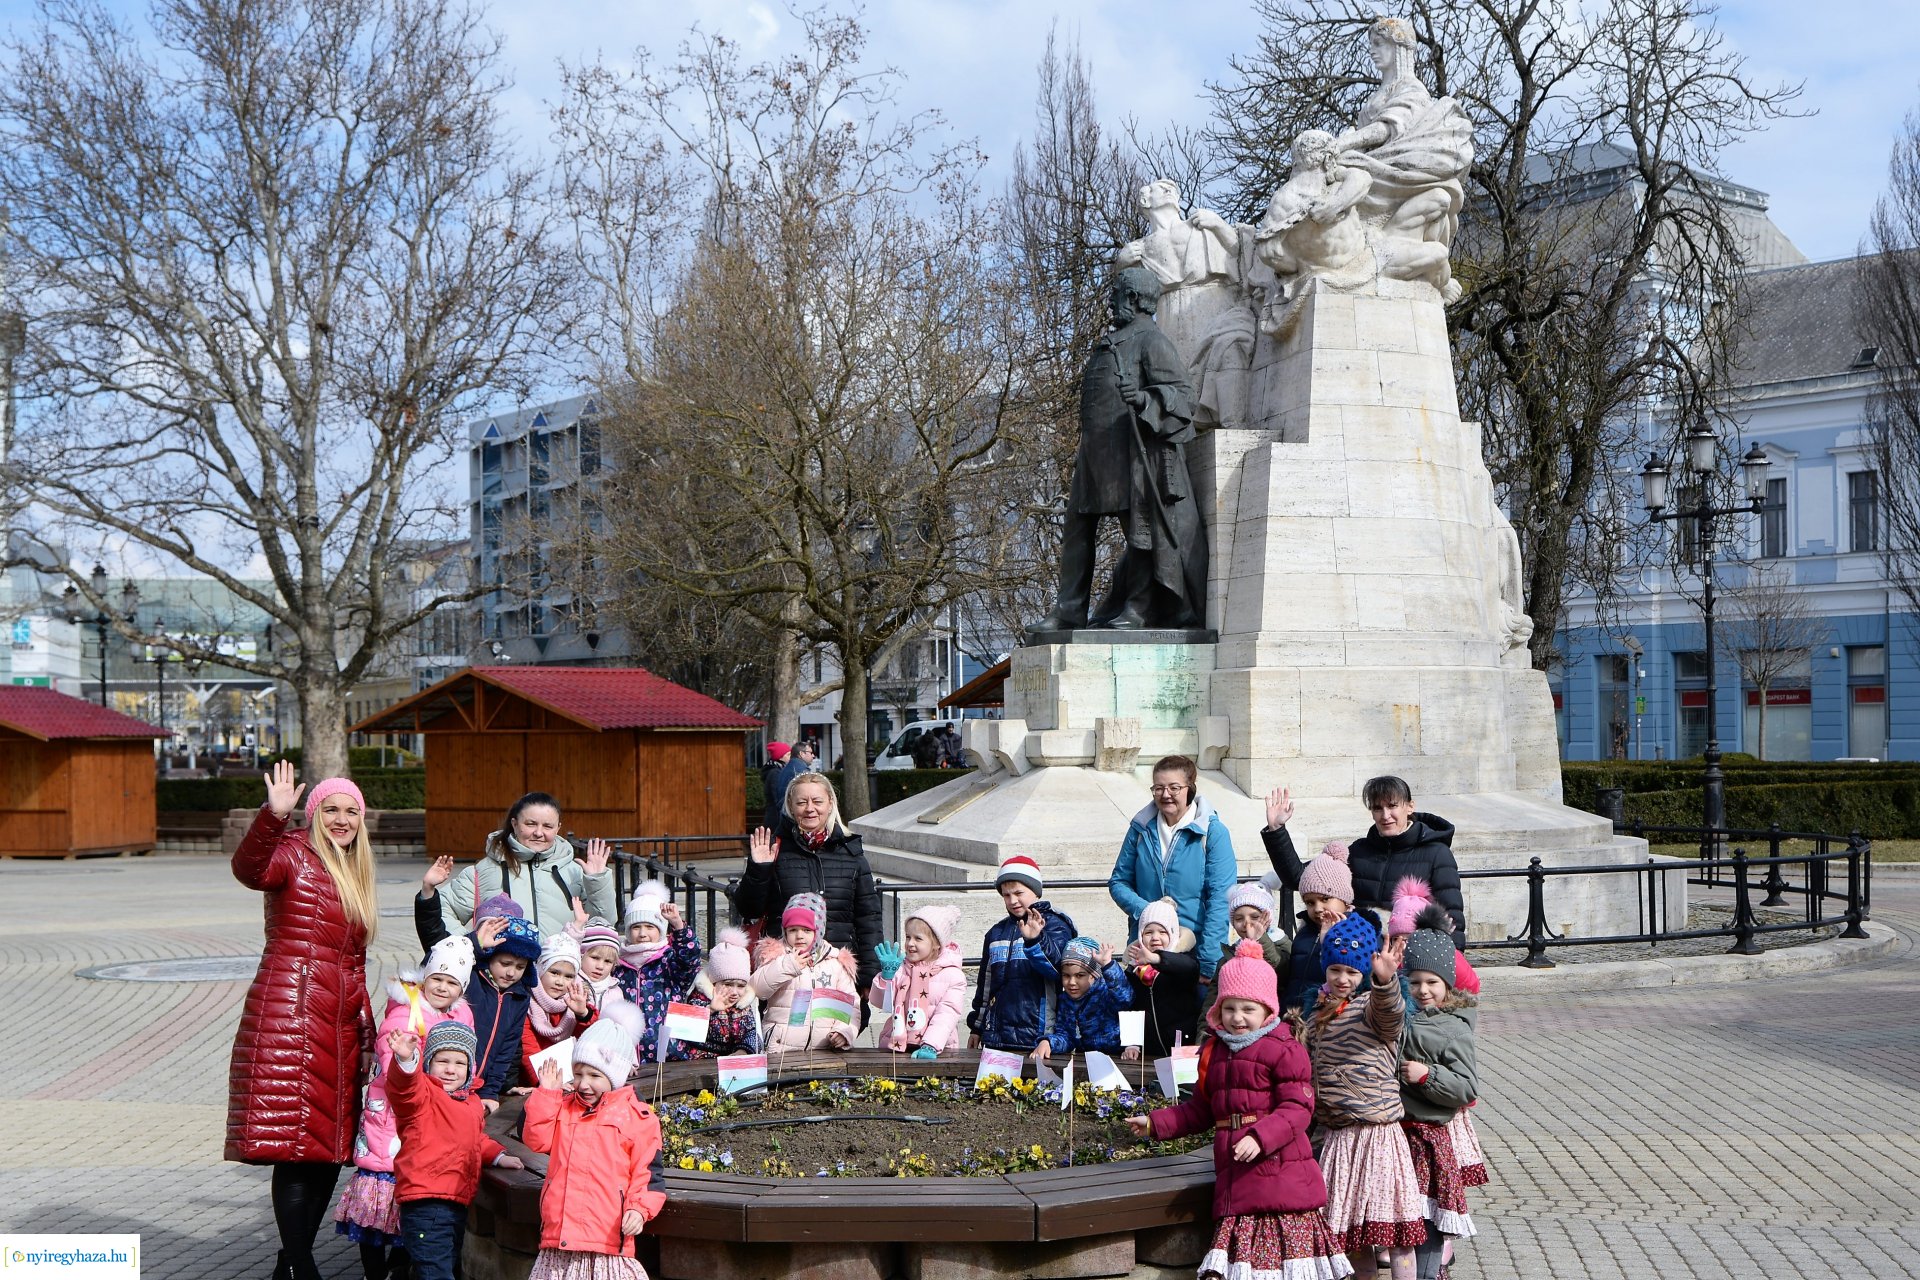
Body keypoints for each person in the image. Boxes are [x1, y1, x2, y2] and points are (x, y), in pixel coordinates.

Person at [227, 762, 378, 1280]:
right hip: (290, 1016)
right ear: (314, 814)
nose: (341, 819)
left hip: (337, 1020)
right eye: (331, 809)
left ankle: (287, 1267)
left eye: (351, 811)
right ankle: (302, 1266)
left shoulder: (354, 868)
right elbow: (249, 870)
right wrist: (273, 815)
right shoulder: (292, 852)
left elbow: (352, 962)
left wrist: (366, 1023)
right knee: (295, 1150)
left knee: (326, 1152)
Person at [1125, 939, 1351, 1280]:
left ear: (1267, 1009)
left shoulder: (1283, 1048)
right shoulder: (1214, 1051)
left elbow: (1298, 1106)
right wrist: (1157, 1123)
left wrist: (1261, 1137)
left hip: (1279, 1175)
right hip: (1236, 1180)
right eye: (1230, 1008)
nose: (1238, 1018)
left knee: (1282, 1267)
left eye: (1248, 1009)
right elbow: (1202, 1109)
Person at [337, 937, 476, 1279]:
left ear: (462, 988)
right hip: (392, 1119)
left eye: (452, 982)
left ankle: (402, 1266)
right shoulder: (404, 1012)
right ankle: (374, 1270)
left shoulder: (462, 1014)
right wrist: (407, 1057)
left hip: (432, 1118)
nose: (443, 987)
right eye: (437, 979)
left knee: (412, 1204)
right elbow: (390, 1062)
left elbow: (464, 1061)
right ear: (424, 978)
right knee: (379, 1200)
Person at [1300, 915, 1426, 1277]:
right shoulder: (1316, 1017)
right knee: (1351, 1234)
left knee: (1395, 1229)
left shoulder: (1370, 1008)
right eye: (1336, 970)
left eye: (1352, 972)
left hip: (1377, 1135)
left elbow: (1391, 1017)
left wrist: (1385, 981)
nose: (1342, 979)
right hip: (1338, 1137)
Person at [522, 1003, 665, 1280]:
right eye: (578, 1074)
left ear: (615, 1076)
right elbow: (535, 1140)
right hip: (561, 1237)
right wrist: (546, 1095)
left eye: (595, 1075)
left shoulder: (638, 1117)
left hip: (608, 1238)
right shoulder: (563, 1107)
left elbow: (648, 1174)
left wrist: (639, 1208)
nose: (583, 1084)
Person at [382, 1025, 524, 1280]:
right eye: (442, 1060)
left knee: (441, 1267)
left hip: (455, 1201)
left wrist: (498, 1156)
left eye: (460, 1062)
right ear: (428, 1063)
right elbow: (404, 1089)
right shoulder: (423, 1095)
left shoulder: (468, 1102)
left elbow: (474, 1139)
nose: (450, 1069)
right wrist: (406, 1060)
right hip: (426, 1203)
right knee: (435, 1270)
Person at [1261, 778, 1466, 949]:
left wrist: (1450, 969)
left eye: (1392, 806)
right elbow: (1299, 878)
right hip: (1358, 959)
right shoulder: (1358, 851)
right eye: (1378, 808)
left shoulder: (1437, 853)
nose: (1385, 815)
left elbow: (1451, 918)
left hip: (1409, 959)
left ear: (1409, 806)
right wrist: (1277, 830)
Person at [736, 772, 883, 1000]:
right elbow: (749, 909)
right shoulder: (776, 850)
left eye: (817, 801)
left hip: (838, 972)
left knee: (837, 1032)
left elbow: (868, 918)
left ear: (830, 804)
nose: (810, 808)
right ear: (791, 807)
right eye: (802, 802)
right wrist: (759, 868)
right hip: (787, 975)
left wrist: (869, 975)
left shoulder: (851, 853)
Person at [1397, 904, 1479, 1280]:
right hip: (1399, 1135)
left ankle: (1429, 1274)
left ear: (1447, 983)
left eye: (1432, 982)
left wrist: (1426, 1075)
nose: (1423, 990)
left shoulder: (1454, 1028)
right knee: (1403, 1215)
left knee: (1428, 1217)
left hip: (1430, 1138)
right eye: (1415, 982)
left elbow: (1465, 1087)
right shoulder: (1402, 1017)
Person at [1109, 755, 1238, 981]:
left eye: (1174, 787)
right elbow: (1119, 882)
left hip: (1191, 954)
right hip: (1145, 952)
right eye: (1158, 788)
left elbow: (1220, 899)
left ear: (1190, 788)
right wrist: (1148, 911)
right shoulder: (1140, 829)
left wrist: (1208, 963)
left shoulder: (1213, 833)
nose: (1165, 794)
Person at [416, 793, 615, 938]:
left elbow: (603, 926)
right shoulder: (482, 872)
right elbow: (443, 912)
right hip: (504, 982)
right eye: (530, 824)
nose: (538, 832)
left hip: (560, 982)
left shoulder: (575, 872)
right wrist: (471, 946)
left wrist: (597, 882)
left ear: (558, 828)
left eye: (547, 826)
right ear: (514, 824)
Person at [967, 854, 1076, 1053]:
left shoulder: (1055, 925)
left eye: (1019, 893)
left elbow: (1057, 969)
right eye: (1006, 895)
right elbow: (986, 986)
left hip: (1038, 1037)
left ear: (1035, 891)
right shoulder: (996, 933)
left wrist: (1035, 940)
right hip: (997, 1037)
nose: (1013, 900)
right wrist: (977, 1027)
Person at [751, 893, 860, 1053]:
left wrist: (843, 1031)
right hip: (780, 1048)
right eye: (793, 930)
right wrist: (788, 966)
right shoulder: (776, 955)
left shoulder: (835, 962)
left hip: (823, 1048)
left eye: (807, 930)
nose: (799, 936)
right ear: (785, 930)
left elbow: (851, 1006)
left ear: (818, 932)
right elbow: (757, 989)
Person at [615, 880, 702, 1064]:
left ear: (661, 930)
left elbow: (690, 959)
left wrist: (678, 925)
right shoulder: (619, 965)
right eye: (636, 927)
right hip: (628, 1055)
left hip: (669, 1053)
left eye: (650, 927)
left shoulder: (668, 959)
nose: (642, 933)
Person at [870, 905, 968, 1058]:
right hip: (897, 1045)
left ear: (936, 943)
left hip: (937, 1049)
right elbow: (881, 1003)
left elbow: (947, 1014)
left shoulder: (953, 975)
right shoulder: (901, 968)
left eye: (918, 938)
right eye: (908, 937)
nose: (910, 943)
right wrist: (886, 978)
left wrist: (931, 1045)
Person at [1125, 897, 1202, 1060]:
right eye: (1148, 932)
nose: (1155, 937)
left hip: (1182, 1047)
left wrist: (1156, 959)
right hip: (1150, 1049)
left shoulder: (1183, 959)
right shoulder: (1134, 969)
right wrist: (1132, 1043)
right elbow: (1130, 1007)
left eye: (1162, 932)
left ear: (1173, 934)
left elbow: (1190, 969)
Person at [1030, 936, 1128, 1062]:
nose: (1071, 982)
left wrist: (1108, 966)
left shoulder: (1107, 993)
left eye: (1079, 975)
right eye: (1066, 975)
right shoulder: (1065, 1001)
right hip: (1086, 1061)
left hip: (1119, 1059)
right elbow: (1066, 1036)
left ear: (1094, 975)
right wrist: (1048, 1042)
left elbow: (1124, 997)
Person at [1286, 844, 1356, 1011]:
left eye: (1325, 899)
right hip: (1292, 1018)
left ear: (1344, 900)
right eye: (1310, 902)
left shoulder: (1357, 933)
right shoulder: (1305, 933)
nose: (1317, 908)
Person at [520, 935, 595, 1088]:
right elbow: (527, 1050)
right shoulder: (525, 1002)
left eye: (568, 976)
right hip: (536, 1082)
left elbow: (589, 1040)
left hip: (573, 1078)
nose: (560, 982)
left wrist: (583, 1014)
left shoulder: (576, 999)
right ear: (540, 970)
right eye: (554, 972)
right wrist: (548, 1081)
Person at [676, 927, 762, 1060]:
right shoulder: (698, 999)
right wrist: (710, 1010)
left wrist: (742, 1051)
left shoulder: (743, 1005)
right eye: (727, 984)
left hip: (731, 1063)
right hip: (698, 1063)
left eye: (741, 986)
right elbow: (681, 1032)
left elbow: (752, 1034)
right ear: (714, 983)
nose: (734, 992)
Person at [1220, 881, 1288, 988]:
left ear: (1268, 918)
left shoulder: (1281, 942)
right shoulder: (1230, 954)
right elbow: (1215, 991)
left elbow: (1281, 969)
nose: (1247, 923)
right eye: (1239, 919)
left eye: (1255, 917)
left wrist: (1260, 939)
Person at [766, 740, 818, 818]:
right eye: (810, 753)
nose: (813, 756)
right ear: (801, 754)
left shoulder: (785, 769)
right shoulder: (801, 771)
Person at [759, 742, 792, 832]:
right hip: (775, 819)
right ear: (780, 756)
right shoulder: (775, 773)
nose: (791, 757)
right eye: (788, 754)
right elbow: (777, 797)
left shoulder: (777, 770)